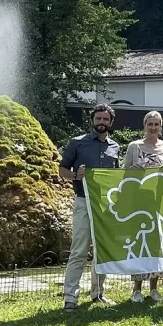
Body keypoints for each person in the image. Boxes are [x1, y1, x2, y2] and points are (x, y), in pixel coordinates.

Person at [59, 103, 121, 312]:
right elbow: (62, 170)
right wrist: (75, 175)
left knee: (101, 251)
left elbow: (116, 176)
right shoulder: (77, 143)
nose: (101, 123)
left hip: (105, 205)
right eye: (98, 119)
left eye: (105, 120)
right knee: (78, 251)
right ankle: (70, 298)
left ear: (111, 123)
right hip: (83, 202)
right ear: (92, 121)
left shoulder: (115, 147)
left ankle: (98, 293)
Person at [123, 110, 163, 303]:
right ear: (144, 126)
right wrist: (134, 170)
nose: (153, 127)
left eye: (156, 124)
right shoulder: (133, 147)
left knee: (156, 245)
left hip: (159, 202)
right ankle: (136, 289)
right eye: (150, 124)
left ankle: (154, 288)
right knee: (140, 243)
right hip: (139, 202)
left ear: (160, 126)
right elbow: (124, 175)